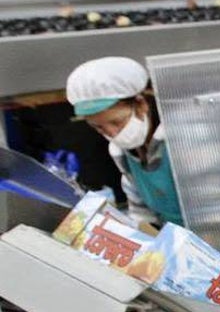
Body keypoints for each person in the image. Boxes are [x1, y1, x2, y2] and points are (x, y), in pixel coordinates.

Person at [66, 56, 183, 226]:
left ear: (141, 104)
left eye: (117, 122)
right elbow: (141, 212)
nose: (112, 133)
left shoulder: (182, 138)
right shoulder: (121, 153)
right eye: (98, 127)